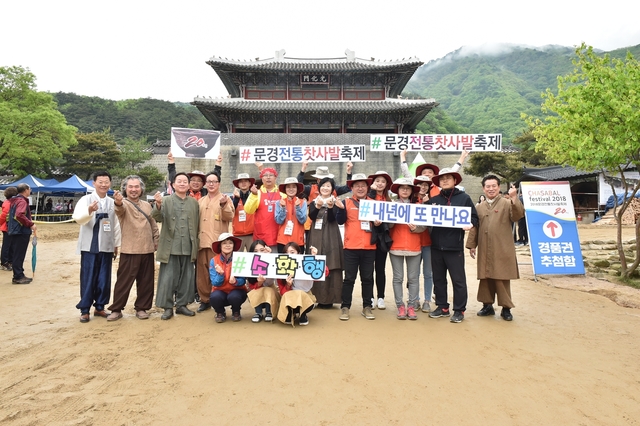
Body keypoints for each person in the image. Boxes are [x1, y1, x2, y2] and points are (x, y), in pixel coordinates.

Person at [466, 175, 524, 321]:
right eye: (488, 186)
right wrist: (472, 245)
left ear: (498, 187)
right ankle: (487, 306)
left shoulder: (506, 203)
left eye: (494, 186)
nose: (491, 189)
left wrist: (514, 198)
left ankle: (506, 308)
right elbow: (474, 227)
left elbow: (518, 215)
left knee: (501, 277)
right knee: (485, 278)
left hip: (502, 247)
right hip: (485, 247)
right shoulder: (479, 207)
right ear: (483, 188)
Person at [426, 168, 478, 323]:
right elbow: (417, 212)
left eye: (448, 178)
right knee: (439, 279)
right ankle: (442, 306)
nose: (445, 181)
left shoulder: (464, 198)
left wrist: (470, 223)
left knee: (458, 280)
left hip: (454, 248)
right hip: (436, 246)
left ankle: (459, 310)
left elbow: (474, 217)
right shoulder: (435, 199)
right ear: (439, 183)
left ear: (455, 181)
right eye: (442, 179)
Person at [107, 175, 159, 321]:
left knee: (146, 282)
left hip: (147, 249)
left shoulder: (147, 205)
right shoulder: (123, 203)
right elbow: (120, 210)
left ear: (141, 189)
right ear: (125, 189)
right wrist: (117, 202)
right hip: (130, 249)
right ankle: (116, 309)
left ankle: (142, 308)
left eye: (136, 187)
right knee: (123, 282)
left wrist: (156, 240)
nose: (134, 190)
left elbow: (153, 224)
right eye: (130, 187)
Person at [72, 172, 121, 322]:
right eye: (100, 182)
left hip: (106, 246)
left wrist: (116, 244)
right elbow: (78, 218)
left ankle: (100, 306)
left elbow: (116, 225)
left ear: (110, 184)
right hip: (89, 247)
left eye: (106, 182)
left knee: (104, 278)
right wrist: (89, 211)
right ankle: (85, 309)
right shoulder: (85, 199)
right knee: (88, 277)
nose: (104, 185)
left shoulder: (112, 202)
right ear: (94, 183)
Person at [152, 172, 200, 320]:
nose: (182, 183)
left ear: (189, 185)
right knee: (168, 277)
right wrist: (158, 205)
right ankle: (167, 307)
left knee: (186, 276)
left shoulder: (193, 203)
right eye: (179, 181)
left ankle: (182, 305)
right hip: (170, 245)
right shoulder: (165, 200)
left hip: (188, 244)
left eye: (185, 181)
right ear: (173, 184)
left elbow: (197, 224)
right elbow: (157, 217)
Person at [336, 173, 380, 321]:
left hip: (369, 247)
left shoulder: (374, 203)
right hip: (351, 247)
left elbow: (380, 227)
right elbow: (340, 221)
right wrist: (340, 209)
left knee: (367, 278)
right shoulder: (346, 202)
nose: (360, 188)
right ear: (352, 188)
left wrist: (379, 223)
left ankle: (367, 306)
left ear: (367, 187)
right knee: (349, 278)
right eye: (357, 186)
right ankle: (345, 307)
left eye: (363, 185)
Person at [195, 171, 234, 313]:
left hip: (217, 243)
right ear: (205, 184)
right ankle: (205, 300)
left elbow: (230, 216)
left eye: (214, 181)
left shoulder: (225, 199)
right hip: (202, 242)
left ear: (219, 184)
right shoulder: (200, 201)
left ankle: (220, 298)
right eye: (209, 181)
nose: (211, 184)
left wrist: (224, 205)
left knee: (219, 272)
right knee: (203, 273)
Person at [388, 178, 426, 320]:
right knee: (398, 278)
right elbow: (389, 226)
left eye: (408, 188)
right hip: (396, 246)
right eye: (402, 188)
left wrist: (417, 228)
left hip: (414, 246)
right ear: (397, 190)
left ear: (411, 191)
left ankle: (411, 305)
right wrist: (392, 218)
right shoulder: (391, 206)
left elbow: (425, 226)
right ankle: (400, 306)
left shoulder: (418, 206)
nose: (405, 190)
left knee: (413, 278)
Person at [306, 176, 345, 308]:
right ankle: (315, 297)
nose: (325, 188)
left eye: (328, 186)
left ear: (332, 189)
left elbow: (335, 219)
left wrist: (332, 207)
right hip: (315, 235)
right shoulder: (314, 201)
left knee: (331, 262)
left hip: (331, 234)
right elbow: (311, 216)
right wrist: (317, 206)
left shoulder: (336, 201)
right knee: (314, 262)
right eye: (323, 185)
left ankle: (329, 299)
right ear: (319, 188)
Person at [367, 170, 393, 310]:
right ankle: (370, 297)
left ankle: (381, 297)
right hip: (369, 237)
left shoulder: (389, 200)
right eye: (377, 181)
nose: (380, 184)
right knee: (368, 269)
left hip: (382, 238)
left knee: (380, 269)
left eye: (383, 181)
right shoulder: (367, 197)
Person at [209, 233, 247, 323]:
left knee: (235, 296)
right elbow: (215, 282)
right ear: (220, 246)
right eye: (224, 243)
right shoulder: (214, 260)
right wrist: (221, 275)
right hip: (220, 291)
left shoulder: (240, 258)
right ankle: (220, 312)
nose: (227, 245)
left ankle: (236, 311)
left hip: (237, 291)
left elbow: (243, 280)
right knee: (214, 297)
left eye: (230, 243)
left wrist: (236, 282)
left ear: (233, 245)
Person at [276, 242, 316, 326]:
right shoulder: (281, 269)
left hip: (306, 297)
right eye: (286, 253)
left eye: (292, 252)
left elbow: (324, 272)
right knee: (288, 295)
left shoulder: (306, 265)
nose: (289, 255)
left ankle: (303, 314)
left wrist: (314, 258)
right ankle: (290, 313)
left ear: (299, 253)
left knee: (300, 293)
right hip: (290, 299)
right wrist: (288, 285)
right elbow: (282, 292)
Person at [244, 167, 284, 251]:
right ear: (262, 179)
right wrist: (253, 195)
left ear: (275, 178)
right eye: (265, 175)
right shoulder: (257, 193)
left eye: (271, 175)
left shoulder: (282, 194)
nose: (268, 177)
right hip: (261, 236)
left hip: (279, 235)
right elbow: (248, 210)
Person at [413, 176, 435, 313]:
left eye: (426, 185)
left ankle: (427, 300)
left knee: (428, 273)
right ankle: (414, 299)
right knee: (413, 274)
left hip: (428, 243)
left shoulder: (433, 202)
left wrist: (428, 205)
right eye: (420, 184)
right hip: (413, 243)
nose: (423, 187)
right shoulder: (410, 202)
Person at [7, 184, 37, 284]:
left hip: (15, 231)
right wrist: (30, 224)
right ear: (25, 190)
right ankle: (18, 276)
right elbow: (19, 214)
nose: (30, 190)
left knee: (16, 254)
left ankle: (19, 274)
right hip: (21, 231)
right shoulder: (22, 201)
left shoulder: (14, 201)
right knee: (19, 254)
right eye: (30, 188)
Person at [245, 240, 279, 322]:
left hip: (270, 290)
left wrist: (270, 256)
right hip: (256, 289)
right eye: (255, 251)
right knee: (257, 291)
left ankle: (269, 312)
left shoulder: (272, 261)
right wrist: (259, 283)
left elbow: (276, 277)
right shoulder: (249, 263)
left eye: (262, 250)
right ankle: (258, 313)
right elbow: (252, 285)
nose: (259, 253)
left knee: (269, 290)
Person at [275, 177, 307, 252]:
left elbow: (302, 220)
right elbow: (279, 221)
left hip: (298, 240)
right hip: (282, 240)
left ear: (297, 189)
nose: (291, 189)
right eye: (288, 187)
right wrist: (283, 208)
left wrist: (298, 207)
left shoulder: (302, 202)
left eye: (294, 187)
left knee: (298, 263)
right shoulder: (279, 202)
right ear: (285, 189)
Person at [231, 173, 256, 251]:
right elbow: (230, 211)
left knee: (253, 258)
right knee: (238, 260)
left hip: (252, 234)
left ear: (249, 183)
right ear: (238, 184)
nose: (243, 183)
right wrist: (236, 199)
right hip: (238, 235)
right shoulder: (232, 198)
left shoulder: (255, 196)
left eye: (246, 181)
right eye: (241, 181)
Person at [0, 187, 18, 271]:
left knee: (12, 245)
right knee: (7, 245)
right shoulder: (8, 203)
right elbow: (4, 215)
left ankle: (10, 260)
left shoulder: (14, 202)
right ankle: (4, 262)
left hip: (13, 227)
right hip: (7, 227)